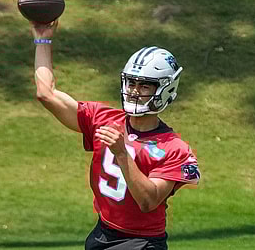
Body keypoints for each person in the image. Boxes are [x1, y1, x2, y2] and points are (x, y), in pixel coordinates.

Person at [30, 20, 200, 250]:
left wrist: (122, 153)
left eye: (144, 86)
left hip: (141, 243)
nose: (134, 91)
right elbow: (46, 94)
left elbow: (148, 201)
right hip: (102, 234)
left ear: (165, 89)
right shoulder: (103, 118)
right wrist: (43, 39)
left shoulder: (174, 148)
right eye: (131, 83)